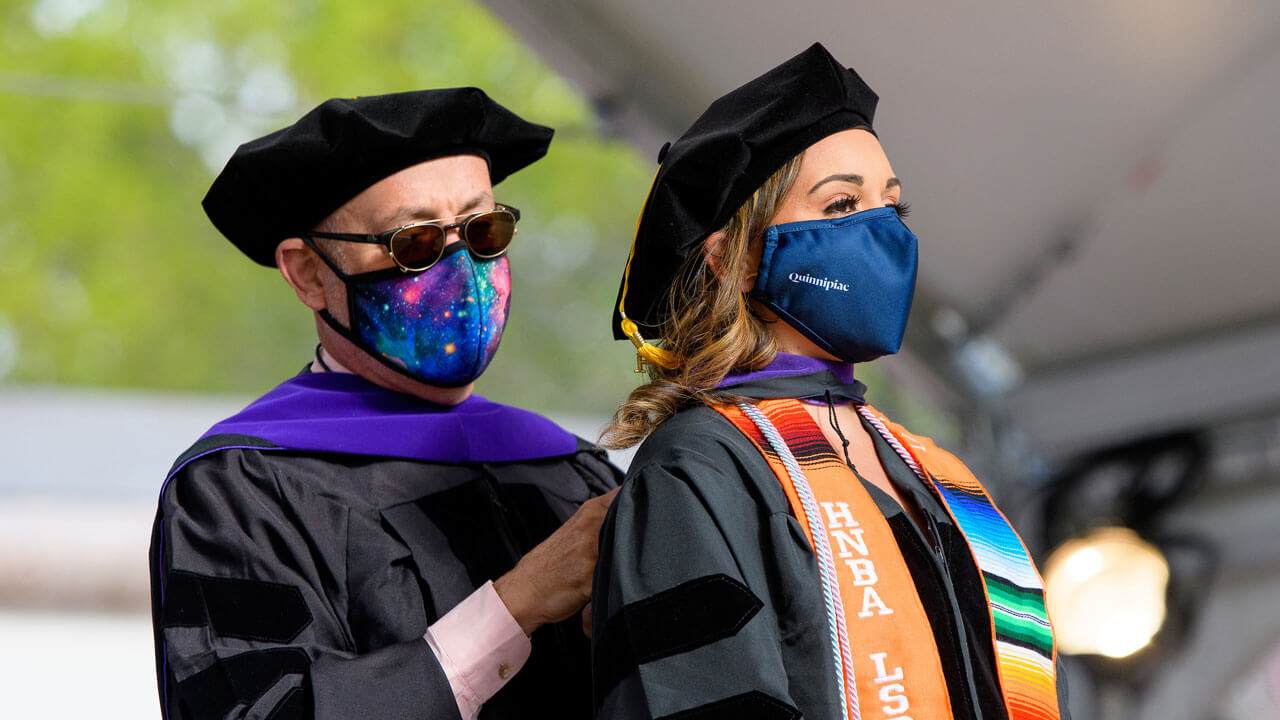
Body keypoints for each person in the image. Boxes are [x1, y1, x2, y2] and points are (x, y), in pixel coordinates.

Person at [593, 44, 1069, 720]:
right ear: (735, 255)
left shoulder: (935, 472)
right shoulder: (700, 467)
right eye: (842, 205)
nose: (883, 234)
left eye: (892, 208)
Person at [148, 88, 620, 720]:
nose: (465, 272)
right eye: (415, 242)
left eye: (483, 231)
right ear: (310, 275)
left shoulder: (571, 471)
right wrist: (515, 605)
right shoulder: (240, 494)